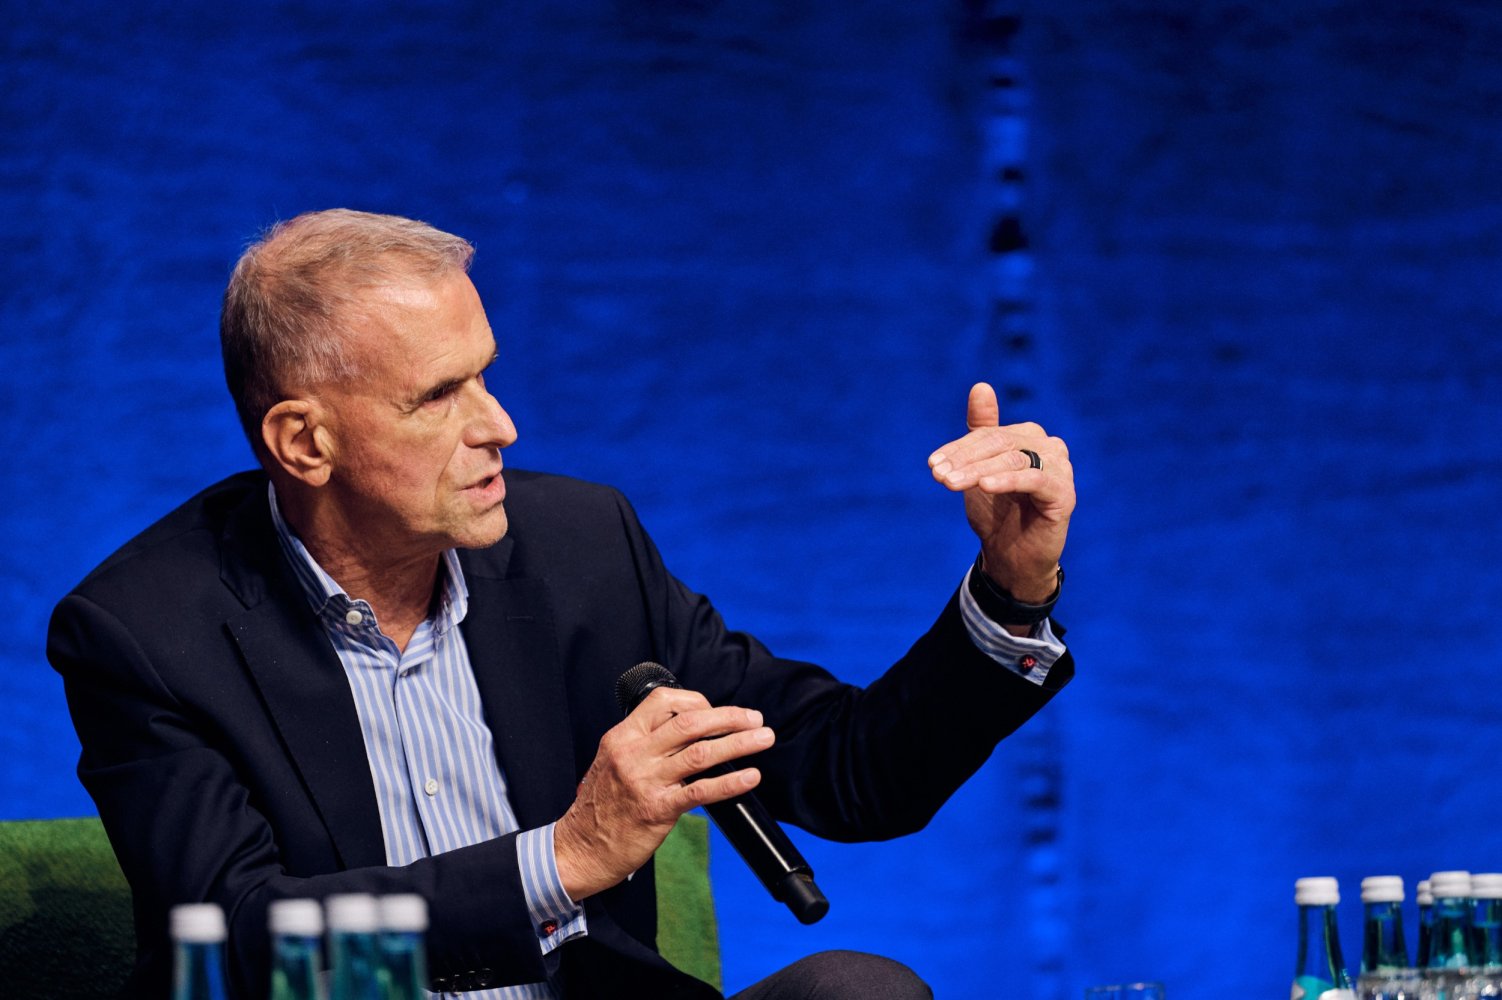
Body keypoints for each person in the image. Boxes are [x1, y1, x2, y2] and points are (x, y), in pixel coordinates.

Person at [47, 209, 1076, 999]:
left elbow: (852, 776)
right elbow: (237, 951)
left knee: (858, 991)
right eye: (438, 397)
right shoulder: (147, 629)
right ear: (304, 442)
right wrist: (565, 857)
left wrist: (1010, 587)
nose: (499, 424)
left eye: (484, 376)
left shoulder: (580, 546)